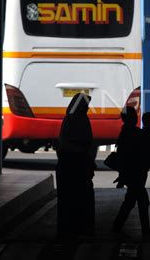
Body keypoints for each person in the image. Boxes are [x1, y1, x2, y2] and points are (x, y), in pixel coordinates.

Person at [56, 93, 96, 238]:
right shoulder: (78, 121)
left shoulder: (72, 120)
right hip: (75, 162)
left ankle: (70, 229)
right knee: (79, 197)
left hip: (72, 162)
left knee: (70, 198)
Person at [112, 107, 150, 240]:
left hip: (131, 174)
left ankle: (117, 228)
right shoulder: (134, 133)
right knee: (142, 201)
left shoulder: (125, 133)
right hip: (135, 173)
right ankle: (145, 233)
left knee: (131, 201)